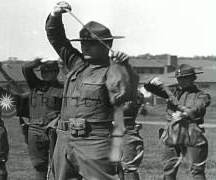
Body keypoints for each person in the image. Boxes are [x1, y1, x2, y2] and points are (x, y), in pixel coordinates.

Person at [45, 2, 140, 179]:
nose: (86, 47)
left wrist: (124, 66)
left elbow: (126, 94)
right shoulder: (76, 63)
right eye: (83, 43)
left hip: (94, 139)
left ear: (106, 44)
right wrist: (55, 16)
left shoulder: (112, 69)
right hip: (64, 138)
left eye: (92, 43)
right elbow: (57, 39)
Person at [144, 64, 211, 180]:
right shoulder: (172, 93)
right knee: (168, 169)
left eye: (185, 78)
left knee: (197, 171)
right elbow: (149, 88)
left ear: (193, 78)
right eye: (179, 78)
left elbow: (199, 106)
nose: (182, 81)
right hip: (171, 133)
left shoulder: (202, 95)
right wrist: (153, 81)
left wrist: (185, 114)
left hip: (192, 133)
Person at [21, 58, 64, 180]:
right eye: (42, 72)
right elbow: (25, 68)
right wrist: (38, 60)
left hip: (54, 130)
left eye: (48, 71)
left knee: (58, 164)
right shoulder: (35, 85)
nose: (44, 74)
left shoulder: (63, 89)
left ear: (56, 72)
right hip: (35, 130)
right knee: (39, 165)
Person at [118, 92, 145, 180]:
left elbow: (135, 104)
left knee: (129, 167)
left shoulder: (133, 93)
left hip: (127, 132)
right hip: (110, 131)